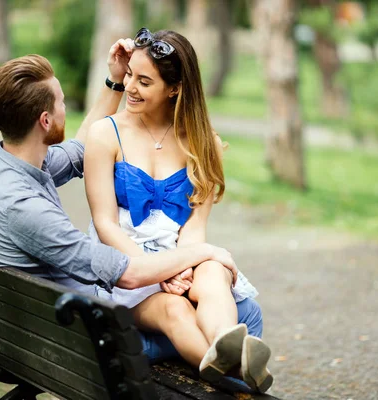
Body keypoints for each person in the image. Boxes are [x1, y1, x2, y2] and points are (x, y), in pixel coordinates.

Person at [0, 41, 263, 370]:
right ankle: (240, 381)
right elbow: (126, 272)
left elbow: (79, 151)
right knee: (241, 311)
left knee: (206, 296)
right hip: (86, 334)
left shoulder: (9, 167)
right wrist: (207, 254)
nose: (66, 108)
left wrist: (114, 82)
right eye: (62, 103)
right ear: (45, 121)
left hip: (54, 319)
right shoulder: (23, 207)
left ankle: (235, 369)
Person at [84, 28, 273, 393]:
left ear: (174, 89)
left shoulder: (204, 143)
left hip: (178, 257)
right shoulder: (105, 134)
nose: (131, 88)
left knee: (215, 272)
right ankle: (237, 382)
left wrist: (183, 267)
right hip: (126, 266)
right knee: (176, 310)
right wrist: (158, 274)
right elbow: (104, 223)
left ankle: (227, 344)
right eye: (129, 76)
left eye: (144, 81)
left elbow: (194, 227)